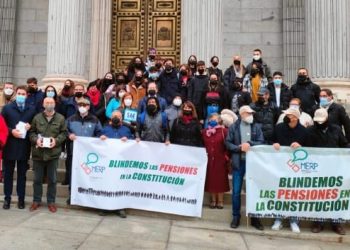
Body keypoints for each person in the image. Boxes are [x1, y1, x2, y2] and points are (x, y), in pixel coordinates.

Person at [308, 109, 348, 235]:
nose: (319, 123)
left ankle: (337, 223)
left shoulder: (336, 129)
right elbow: (306, 147)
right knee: (319, 195)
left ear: (327, 119)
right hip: (318, 169)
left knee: (335, 195)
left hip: (335, 168)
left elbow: (344, 144)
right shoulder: (311, 131)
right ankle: (318, 222)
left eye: (322, 121)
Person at [225, 105, 264, 230]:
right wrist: (238, 148)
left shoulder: (256, 127)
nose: (251, 115)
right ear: (242, 114)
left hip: (253, 164)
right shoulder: (234, 127)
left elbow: (261, 141)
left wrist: (250, 144)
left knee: (253, 191)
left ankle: (254, 218)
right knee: (236, 192)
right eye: (248, 113)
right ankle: (236, 216)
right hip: (238, 163)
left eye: (251, 113)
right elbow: (228, 143)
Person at [272, 108, 309, 233]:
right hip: (280, 166)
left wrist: (301, 146)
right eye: (286, 114)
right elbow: (271, 140)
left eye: (289, 114)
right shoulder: (279, 127)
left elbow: (310, 149)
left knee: (295, 194)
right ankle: (278, 219)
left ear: (296, 117)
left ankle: (294, 221)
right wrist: (274, 144)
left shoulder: (304, 131)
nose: (286, 116)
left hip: (296, 167)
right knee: (280, 193)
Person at [29, 97, 67, 213]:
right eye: (47, 102)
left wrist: (56, 141)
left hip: (53, 154)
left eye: (51, 102)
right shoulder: (37, 117)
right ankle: (36, 201)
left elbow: (64, 133)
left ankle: (51, 202)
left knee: (53, 179)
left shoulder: (60, 118)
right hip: (38, 154)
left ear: (54, 104)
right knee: (37, 180)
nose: (49, 104)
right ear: (43, 104)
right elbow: (32, 132)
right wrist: (36, 140)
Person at [2, 86, 36, 209]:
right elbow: (2, 125)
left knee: (22, 175)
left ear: (27, 95)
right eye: (19, 93)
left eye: (23, 93)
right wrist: (11, 132)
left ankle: (21, 200)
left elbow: (36, 124)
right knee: (8, 175)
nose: (21, 95)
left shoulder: (31, 109)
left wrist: (30, 126)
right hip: (10, 145)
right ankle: (7, 199)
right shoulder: (7, 108)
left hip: (24, 146)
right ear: (16, 94)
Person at [66, 97, 103, 204]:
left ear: (89, 107)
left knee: (88, 175)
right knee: (73, 174)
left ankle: (88, 196)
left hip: (88, 153)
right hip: (74, 152)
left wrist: (99, 138)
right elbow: (64, 131)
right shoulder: (71, 119)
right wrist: (69, 135)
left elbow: (99, 132)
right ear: (77, 107)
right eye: (80, 105)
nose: (82, 107)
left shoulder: (95, 120)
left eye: (85, 105)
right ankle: (72, 195)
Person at [202, 113, 229, 209]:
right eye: (211, 119)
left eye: (215, 119)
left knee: (220, 181)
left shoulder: (224, 131)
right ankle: (213, 200)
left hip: (220, 159)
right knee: (211, 180)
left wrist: (226, 156)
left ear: (219, 120)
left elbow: (228, 144)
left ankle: (220, 201)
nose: (213, 120)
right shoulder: (205, 132)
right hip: (208, 159)